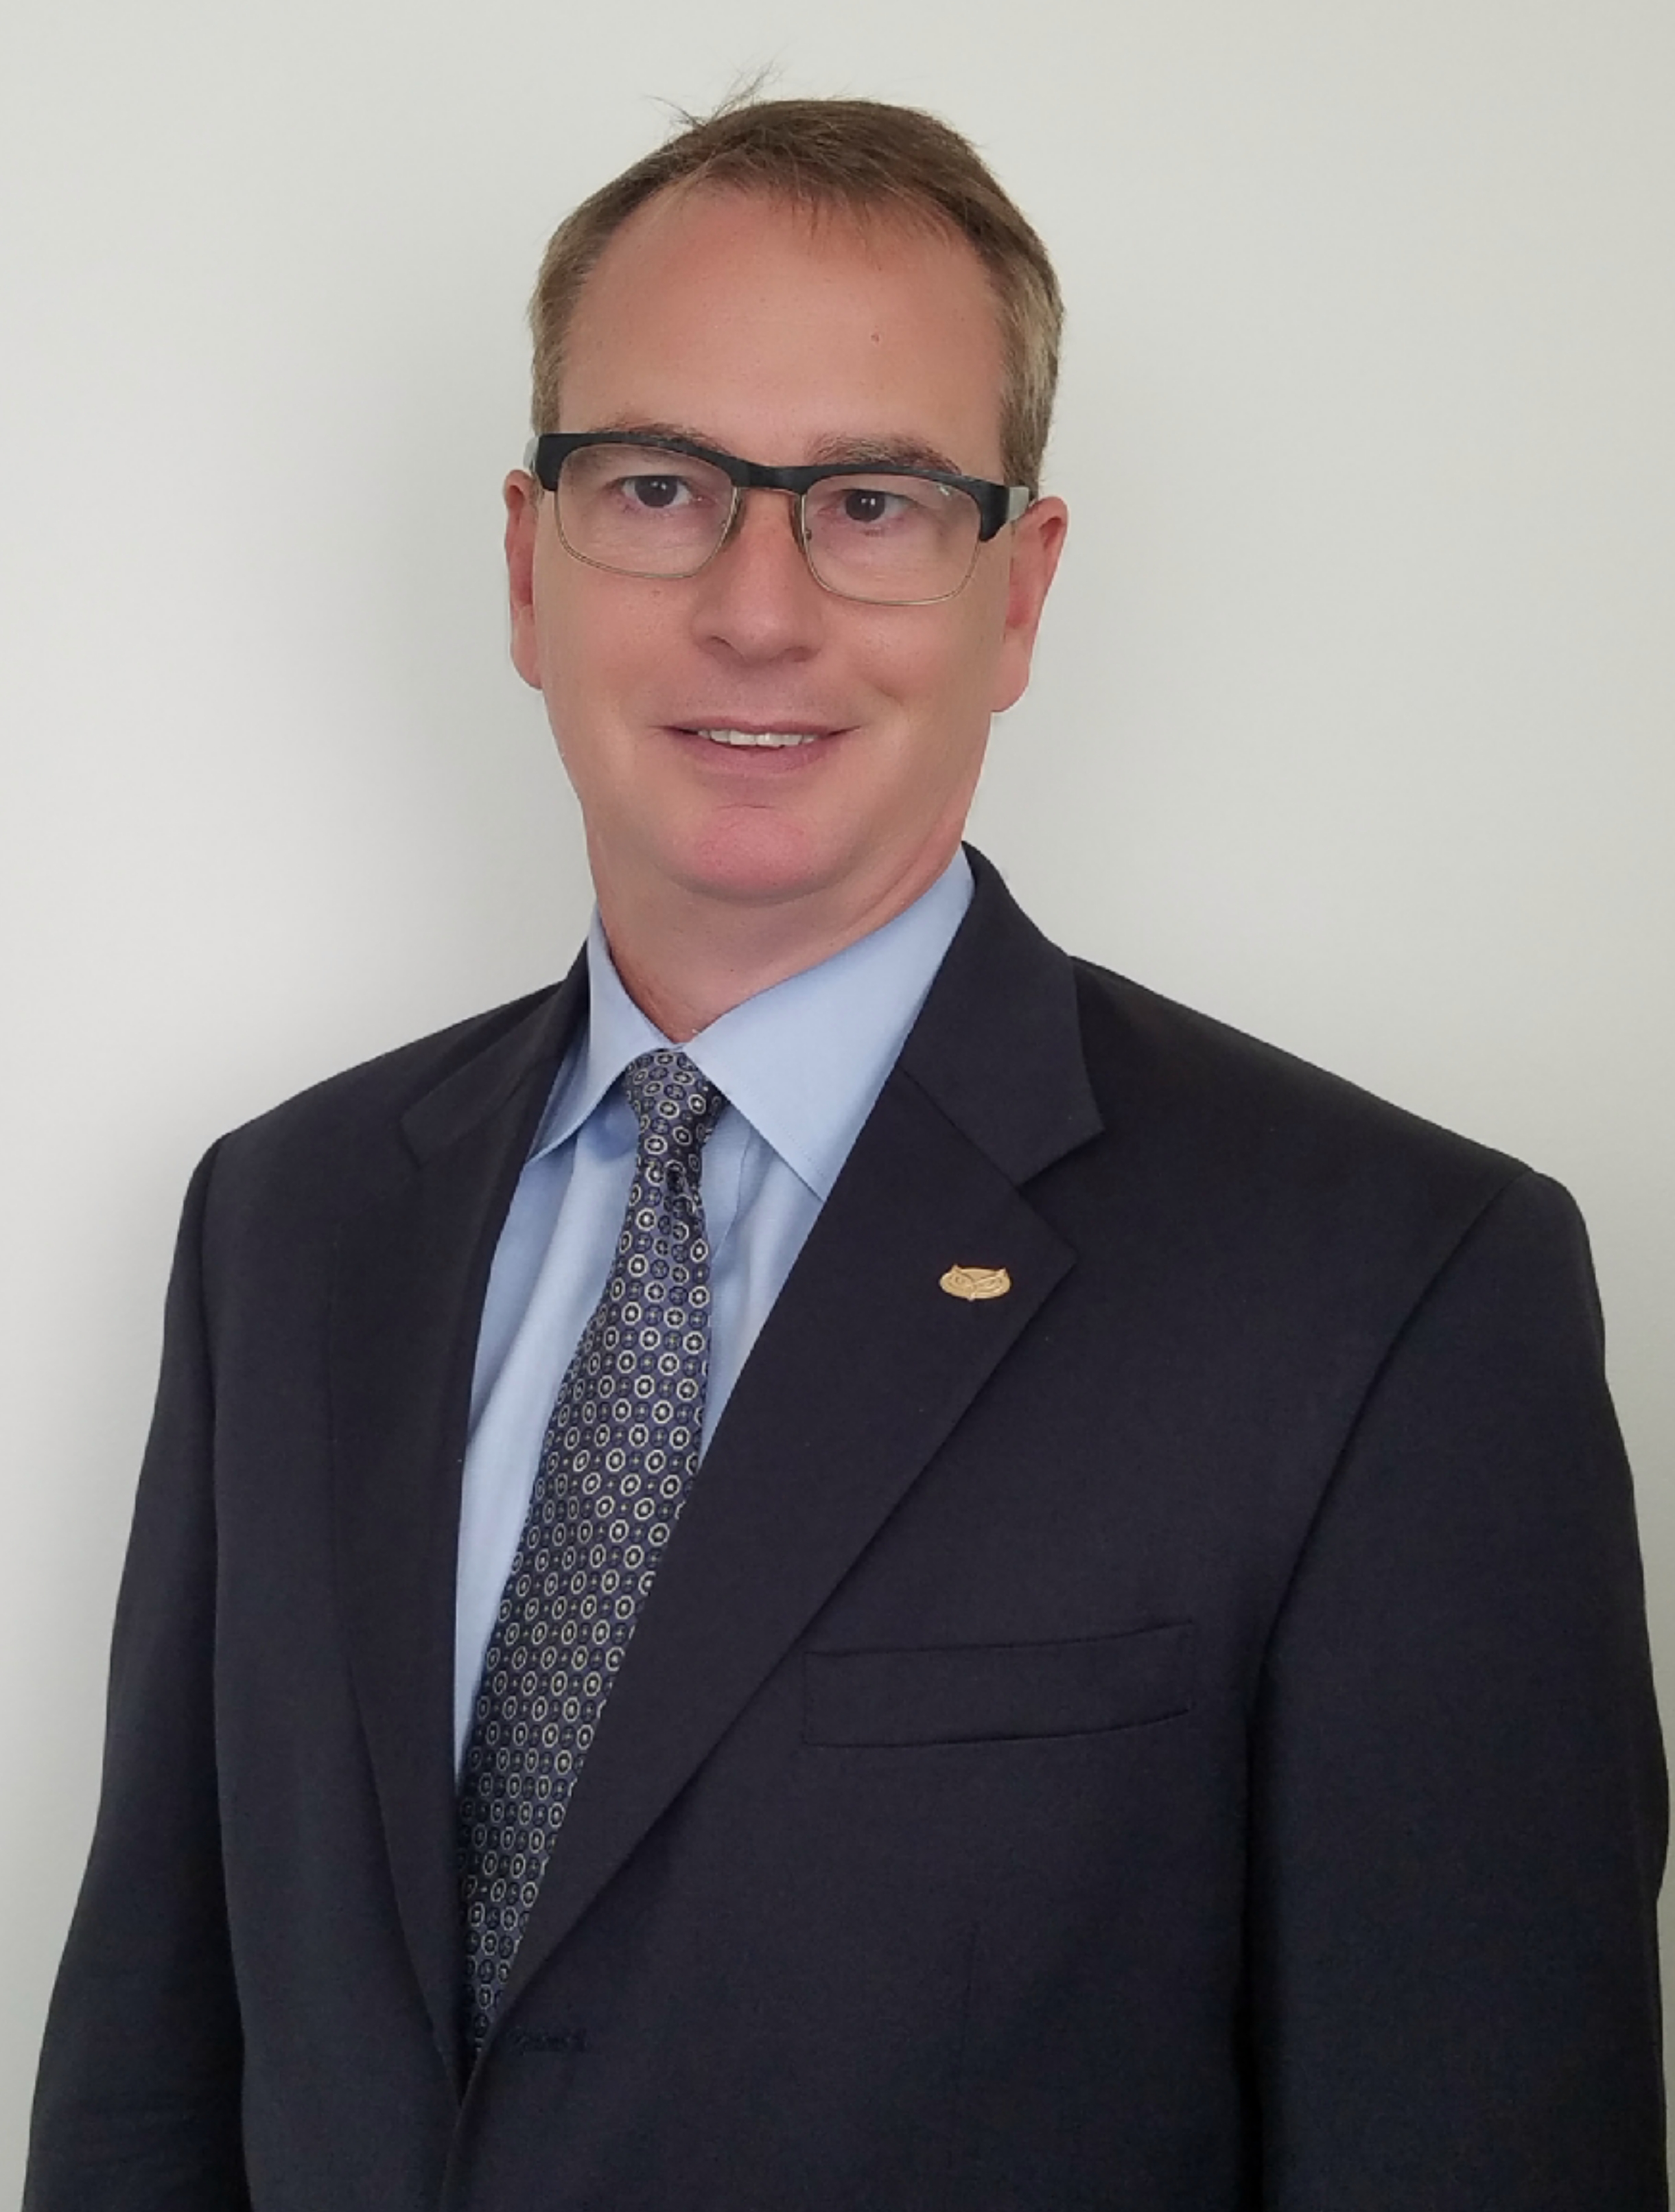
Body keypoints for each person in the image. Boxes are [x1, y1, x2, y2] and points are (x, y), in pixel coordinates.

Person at [26, 95, 1667, 2212]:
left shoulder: (1393, 1290)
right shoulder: (289, 1219)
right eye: (658, 486)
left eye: (871, 502)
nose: (756, 607)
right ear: (527, 565)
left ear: (1019, 590)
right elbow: (153, 2076)